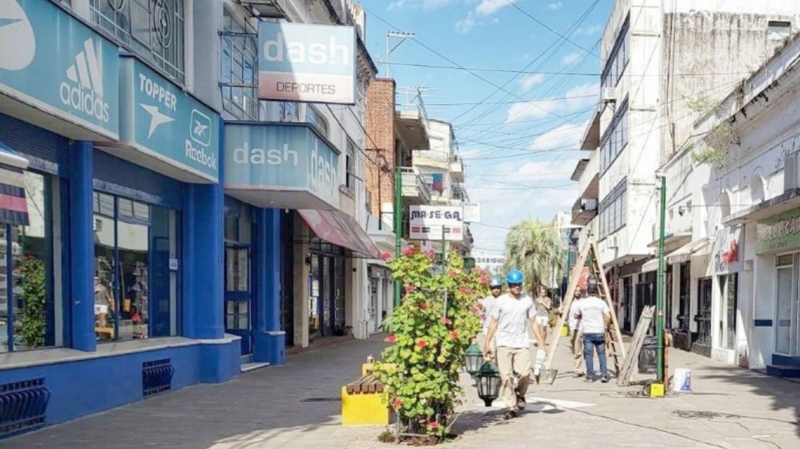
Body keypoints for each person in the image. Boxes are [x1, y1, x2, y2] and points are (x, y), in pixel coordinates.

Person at [483, 269, 546, 420]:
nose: (517, 287)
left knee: (524, 373)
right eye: (514, 284)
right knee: (505, 377)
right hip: (503, 343)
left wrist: (542, 342)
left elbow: (533, 322)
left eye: (519, 284)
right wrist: (487, 343)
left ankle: (520, 394)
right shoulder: (501, 301)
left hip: (521, 343)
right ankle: (511, 407)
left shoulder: (527, 300)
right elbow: (493, 323)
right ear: (509, 285)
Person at [574, 275, 611, 383]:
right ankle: (604, 375)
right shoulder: (601, 302)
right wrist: (607, 327)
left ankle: (590, 376)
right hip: (599, 331)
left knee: (589, 355)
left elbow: (576, 315)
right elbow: (608, 316)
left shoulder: (582, 303)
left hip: (588, 332)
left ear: (587, 292)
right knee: (601, 354)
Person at [477, 276, 503, 358]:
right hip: (489, 330)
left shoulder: (504, 300)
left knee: (501, 354)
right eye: (494, 288)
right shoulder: (487, 300)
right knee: (490, 353)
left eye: (498, 287)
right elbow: (480, 311)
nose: (496, 290)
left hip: (501, 330)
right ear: (491, 289)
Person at [567, 289, 584, 377]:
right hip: (572, 326)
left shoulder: (583, 302)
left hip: (579, 327)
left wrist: (580, 316)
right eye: (576, 291)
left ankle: (578, 370)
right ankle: (578, 355)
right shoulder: (570, 301)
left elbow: (586, 313)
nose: (577, 292)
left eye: (579, 291)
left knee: (577, 348)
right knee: (571, 345)